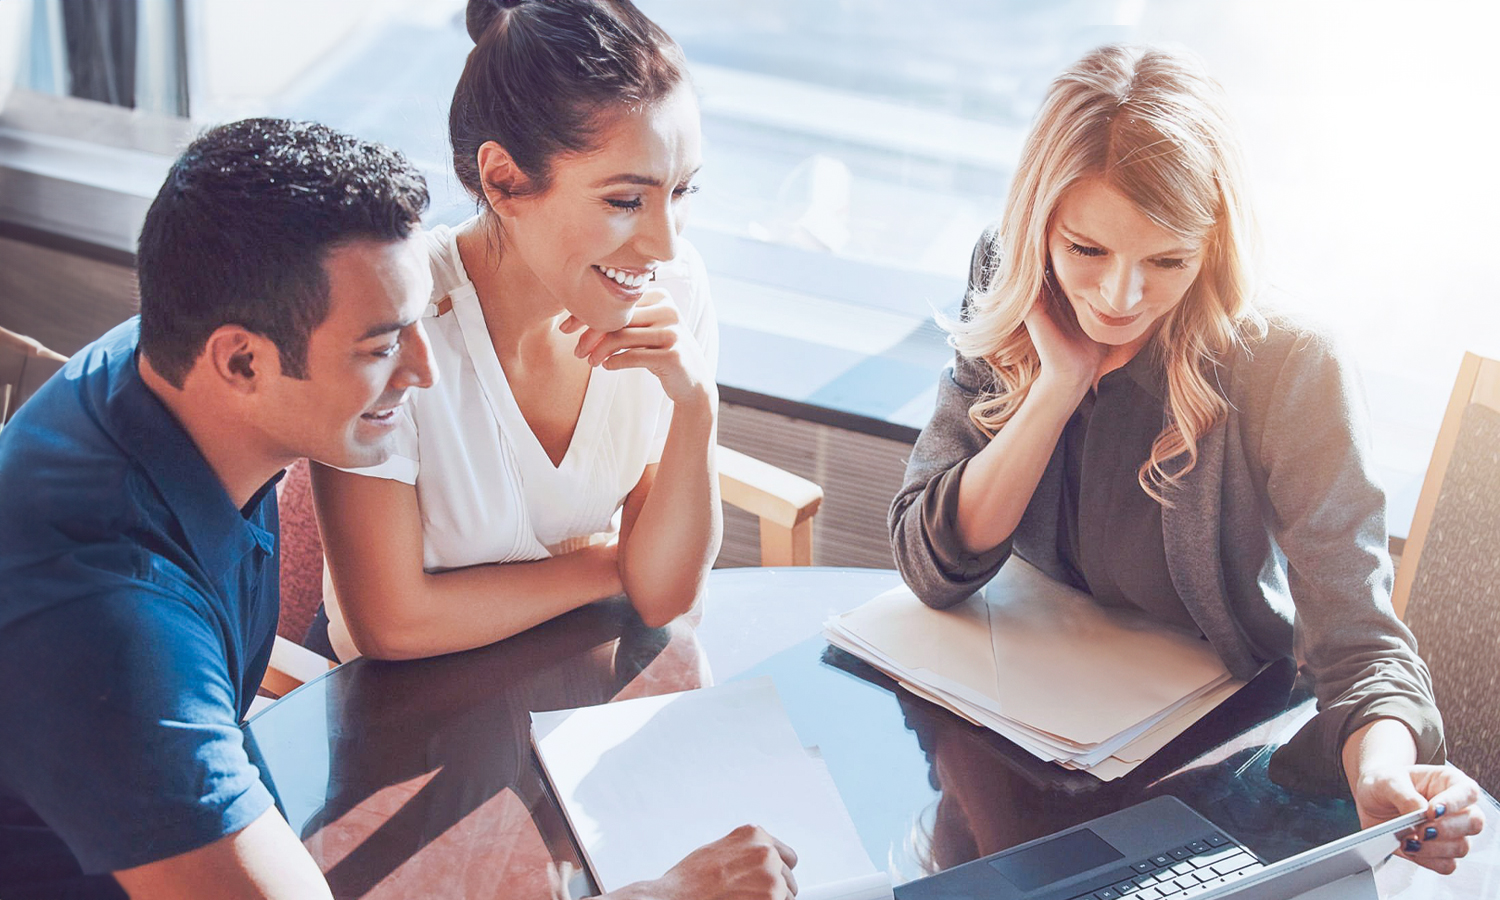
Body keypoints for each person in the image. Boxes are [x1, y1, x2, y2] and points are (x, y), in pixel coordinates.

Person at [0, 118, 795, 900]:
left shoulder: (164, 359)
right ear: (242, 360)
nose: (424, 369)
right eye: (381, 345)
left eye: (418, 326)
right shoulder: (114, 631)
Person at [888, 44, 1484, 874]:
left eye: (1166, 260)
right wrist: (1055, 389)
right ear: (1038, 229)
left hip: (1217, 758)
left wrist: (1384, 774)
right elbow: (930, 561)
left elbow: (1361, 643)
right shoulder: (1010, 275)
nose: (1119, 298)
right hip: (1017, 735)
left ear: (1212, 244)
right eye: (1086, 250)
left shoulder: (1287, 362)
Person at [309, 0, 720, 663]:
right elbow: (392, 624)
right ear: (503, 179)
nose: (666, 245)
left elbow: (665, 596)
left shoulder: (675, 290)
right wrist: (618, 565)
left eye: (682, 192)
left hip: (562, 683)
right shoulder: (393, 318)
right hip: (391, 710)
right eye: (625, 201)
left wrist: (697, 406)